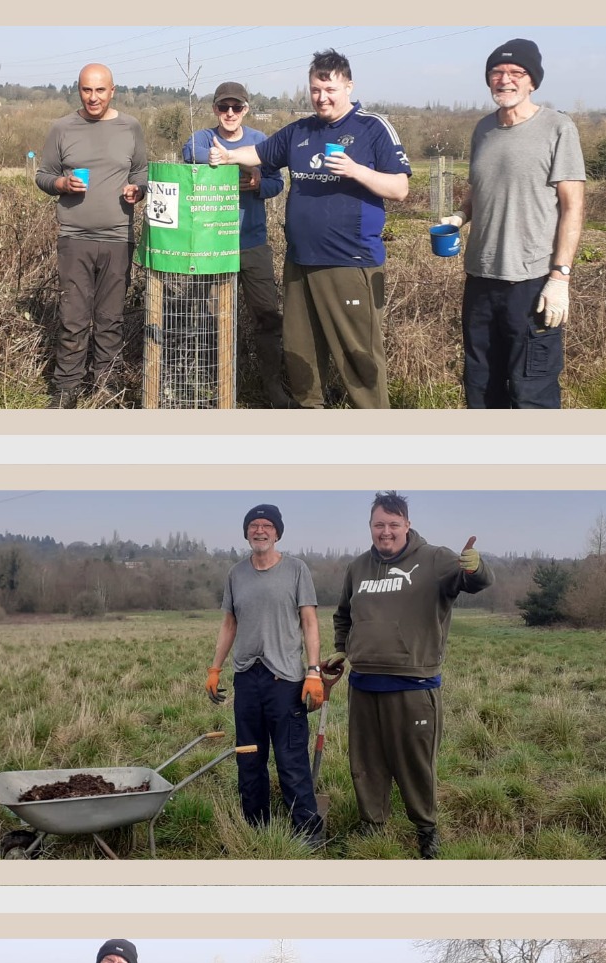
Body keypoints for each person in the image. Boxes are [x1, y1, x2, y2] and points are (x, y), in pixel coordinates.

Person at [208, 50, 411, 409]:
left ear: (348, 86)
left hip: (350, 263)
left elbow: (399, 189)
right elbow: (260, 153)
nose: (322, 97)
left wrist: (356, 171)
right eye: (315, 89)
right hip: (300, 264)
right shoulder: (301, 131)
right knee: (301, 358)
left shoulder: (372, 128)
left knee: (359, 361)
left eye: (329, 88)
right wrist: (228, 156)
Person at [331, 492, 494, 858]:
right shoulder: (357, 568)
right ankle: (372, 824)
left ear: (406, 524)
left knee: (416, 764)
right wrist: (343, 647)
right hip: (364, 684)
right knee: (366, 763)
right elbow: (343, 614)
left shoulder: (434, 559)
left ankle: (425, 828)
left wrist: (475, 567)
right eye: (378, 525)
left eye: (393, 524)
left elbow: (475, 581)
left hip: (413, 685)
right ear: (370, 527)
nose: (385, 532)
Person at [439, 39, 586, 408]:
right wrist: (460, 215)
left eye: (516, 73)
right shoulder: (483, 129)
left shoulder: (558, 128)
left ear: (532, 82)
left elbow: (573, 206)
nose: (505, 80)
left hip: (532, 282)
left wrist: (560, 278)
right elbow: (480, 187)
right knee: (481, 384)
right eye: (497, 72)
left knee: (531, 390)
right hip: (481, 278)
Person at [207, 504, 324, 846]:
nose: (259, 530)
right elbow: (229, 623)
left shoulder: (296, 570)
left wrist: (313, 672)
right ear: (246, 533)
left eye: (266, 526)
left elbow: (309, 622)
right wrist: (215, 668)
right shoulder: (236, 574)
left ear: (277, 533)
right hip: (246, 678)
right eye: (253, 526)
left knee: (291, 760)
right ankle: (256, 829)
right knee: (249, 758)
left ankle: (307, 833)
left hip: (285, 680)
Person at [36, 64, 148, 408]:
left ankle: (106, 385)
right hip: (74, 238)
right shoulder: (62, 128)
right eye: (87, 90)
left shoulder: (130, 127)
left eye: (100, 90)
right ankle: (66, 387)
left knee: (110, 319)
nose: (93, 97)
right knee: (73, 319)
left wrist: (137, 191)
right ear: (78, 90)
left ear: (112, 90)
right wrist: (61, 184)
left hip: (118, 239)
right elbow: (43, 175)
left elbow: (142, 171)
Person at [182, 82, 291, 408]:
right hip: (212, 245)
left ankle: (272, 385)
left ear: (246, 109)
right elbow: (192, 154)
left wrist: (257, 182)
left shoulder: (261, 141)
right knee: (208, 316)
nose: (230, 113)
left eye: (237, 107)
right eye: (223, 107)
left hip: (252, 242)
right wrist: (227, 160)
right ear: (215, 109)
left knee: (268, 316)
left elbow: (277, 182)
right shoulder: (203, 138)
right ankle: (211, 383)